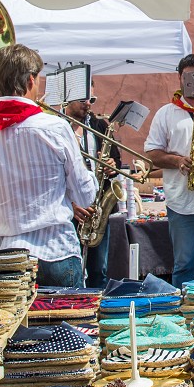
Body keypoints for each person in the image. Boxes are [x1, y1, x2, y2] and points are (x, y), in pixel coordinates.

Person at [0, 44, 97, 288]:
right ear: (31, 81)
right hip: (53, 251)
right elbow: (85, 196)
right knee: (66, 325)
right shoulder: (54, 127)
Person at [144, 54, 194, 288]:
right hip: (182, 201)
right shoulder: (165, 113)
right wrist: (178, 161)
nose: (193, 82)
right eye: (188, 76)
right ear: (179, 78)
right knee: (183, 264)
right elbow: (152, 152)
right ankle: (184, 312)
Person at [62, 90, 117, 293]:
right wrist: (72, 203)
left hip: (97, 206)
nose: (88, 104)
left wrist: (111, 164)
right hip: (71, 207)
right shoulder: (60, 127)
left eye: (91, 100)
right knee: (73, 268)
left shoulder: (98, 125)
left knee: (98, 270)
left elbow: (116, 159)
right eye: (83, 100)